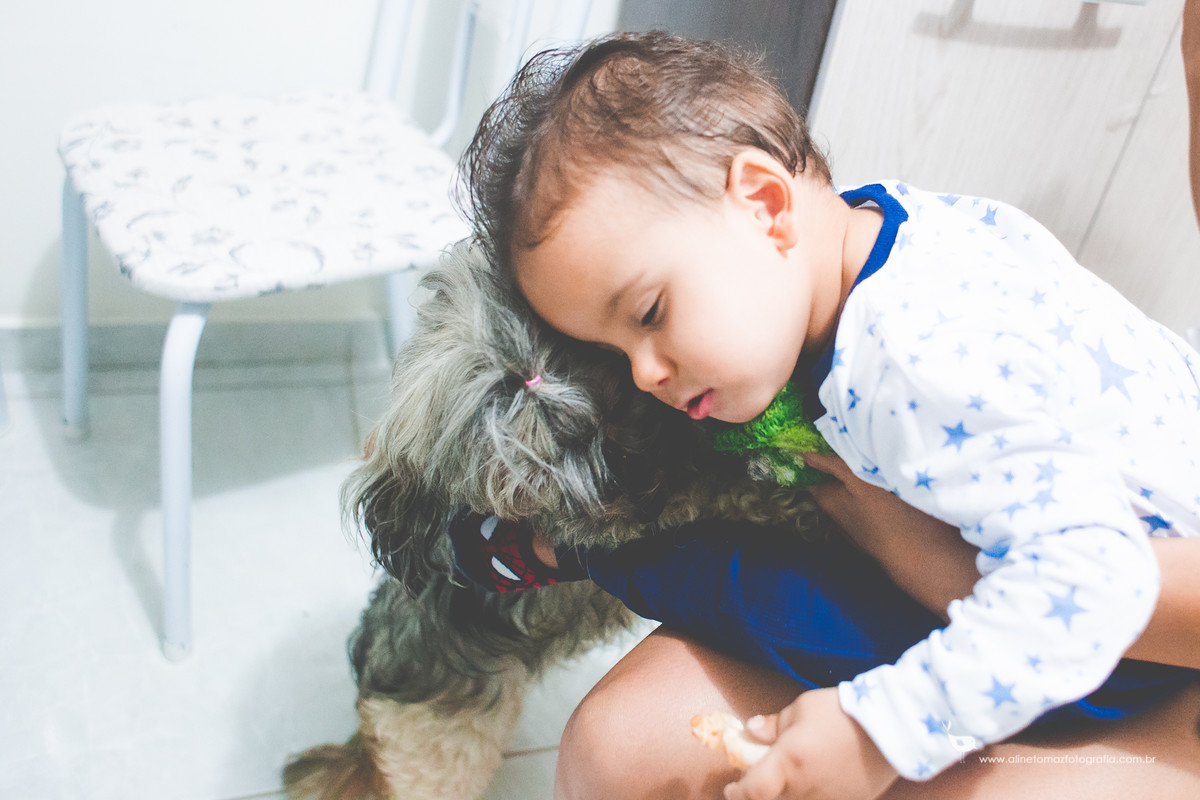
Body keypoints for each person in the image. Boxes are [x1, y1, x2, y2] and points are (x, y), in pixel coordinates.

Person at [456, 31, 1200, 799]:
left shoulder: (908, 361)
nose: (645, 374)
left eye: (650, 312)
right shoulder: (890, 222)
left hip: (1091, 646)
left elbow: (1098, 582)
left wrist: (881, 733)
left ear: (766, 203)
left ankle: (577, 554)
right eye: (613, 349)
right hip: (1110, 548)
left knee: (757, 588)